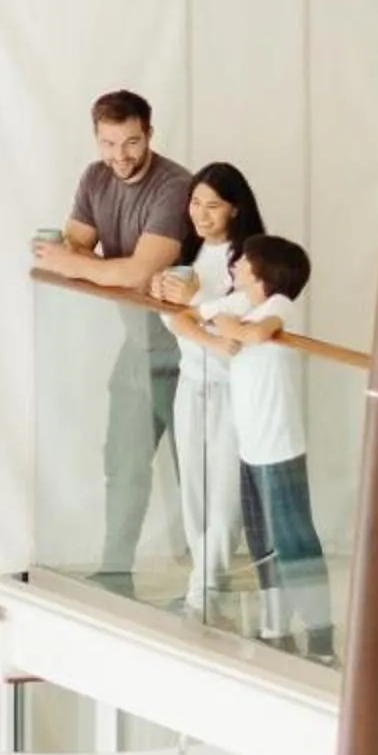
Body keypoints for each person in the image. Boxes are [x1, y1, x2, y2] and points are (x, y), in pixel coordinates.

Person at [31, 90, 194, 593]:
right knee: (123, 465)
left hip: (189, 352)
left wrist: (86, 265)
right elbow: (72, 248)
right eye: (108, 143)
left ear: (149, 133)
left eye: (131, 142)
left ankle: (213, 584)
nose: (120, 156)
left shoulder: (175, 186)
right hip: (135, 349)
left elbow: (138, 272)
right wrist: (94, 266)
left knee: (202, 477)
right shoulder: (94, 177)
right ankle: (116, 571)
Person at [168, 233, 332, 661]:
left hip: (279, 445)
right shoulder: (240, 303)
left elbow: (258, 335)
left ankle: (321, 637)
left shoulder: (277, 304)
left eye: (244, 262)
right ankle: (274, 625)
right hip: (250, 445)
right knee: (262, 540)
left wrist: (223, 327)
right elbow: (180, 318)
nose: (235, 265)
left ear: (265, 272)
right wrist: (216, 339)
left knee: (295, 541)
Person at [149, 163, 265, 618]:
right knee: (194, 485)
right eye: (196, 203)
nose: (201, 213)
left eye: (213, 205)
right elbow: (173, 316)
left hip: (233, 388)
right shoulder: (190, 255)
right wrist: (189, 312)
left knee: (224, 489)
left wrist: (193, 308)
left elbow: (238, 325)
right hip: (191, 382)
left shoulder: (249, 260)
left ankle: (207, 583)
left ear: (235, 208)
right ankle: (202, 579)